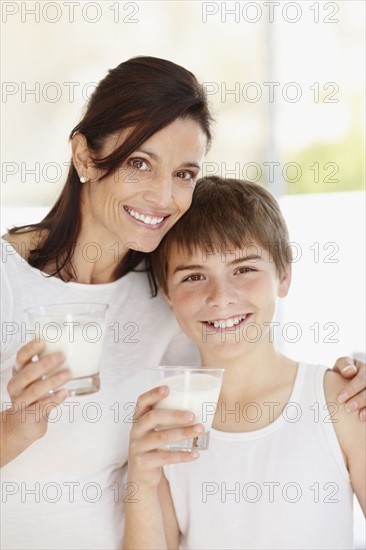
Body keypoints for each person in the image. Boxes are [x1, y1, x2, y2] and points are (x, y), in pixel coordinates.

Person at [0, 57, 364, 550]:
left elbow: (246, 346)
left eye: (185, 172)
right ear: (84, 156)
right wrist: (16, 427)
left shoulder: (161, 288)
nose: (163, 196)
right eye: (139, 162)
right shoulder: (9, 280)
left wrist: (353, 377)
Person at [124, 176, 365, 550]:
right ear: (169, 296)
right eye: (194, 276)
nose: (221, 297)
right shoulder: (167, 423)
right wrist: (140, 479)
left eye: (243, 269)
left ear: (284, 277)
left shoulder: (342, 401)